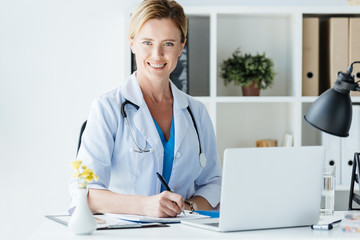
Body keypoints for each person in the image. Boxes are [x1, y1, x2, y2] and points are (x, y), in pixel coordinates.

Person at [69, 0, 222, 218]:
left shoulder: (196, 112)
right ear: (132, 43)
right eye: (147, 42)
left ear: (181, 46)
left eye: (168, 44)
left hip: (184, 231)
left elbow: (213, 183)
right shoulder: (106, 108)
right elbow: (83, 192)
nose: (157, 54)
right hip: (124, 231)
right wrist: (145, 206)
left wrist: (187, 207)